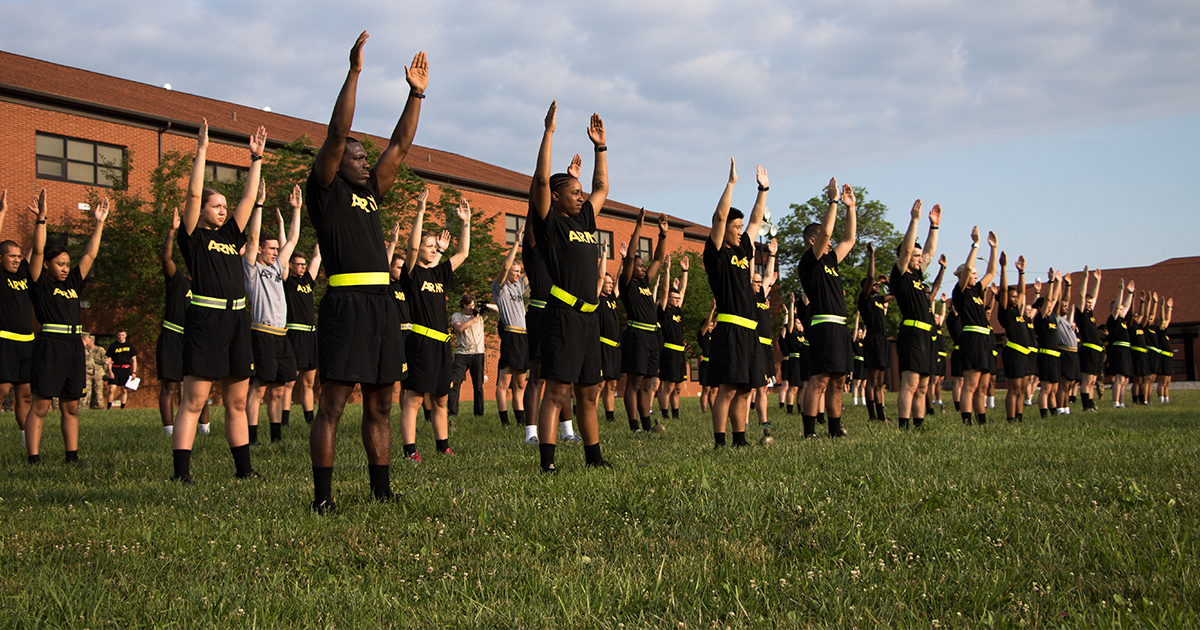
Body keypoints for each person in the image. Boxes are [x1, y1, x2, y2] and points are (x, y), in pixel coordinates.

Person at [306, 33, 427, 512]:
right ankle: (322, 499)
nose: (363, 159)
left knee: (380, 405)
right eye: (357, 156)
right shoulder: (325, 189)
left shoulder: (371, 191)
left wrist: (415, 93)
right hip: (345, 306)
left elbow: (400, 145)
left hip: (382, 307)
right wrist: (354, 72)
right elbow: (337, 135)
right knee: (333, 406)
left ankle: (381, 490)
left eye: (363, 157)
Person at [170, 119, 265, 483]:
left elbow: (247, 198)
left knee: (237, 402)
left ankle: (245, 471)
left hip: (237, 321)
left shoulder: (229, 233)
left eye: (224, 205)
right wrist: (202, 152)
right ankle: (181, 474)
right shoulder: (192, 237)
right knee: (194, 401)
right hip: (206, 323)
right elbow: (193, 196)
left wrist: (255, 160)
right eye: (216, 205)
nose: (223, 210)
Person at [529, 101, 610, 472]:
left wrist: (600, 147)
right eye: (574, 192)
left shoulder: (587, 219)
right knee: (558, 392)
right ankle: (547, 463)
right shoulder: (551, 223)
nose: (581, 196)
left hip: (590, 319)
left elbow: (601, 185)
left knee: (588, 393)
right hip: (562, 316)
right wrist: (548, 133)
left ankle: (594, 457)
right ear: (558, 197)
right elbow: (542, 181)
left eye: (581, 192)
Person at [24, 191, 107, 464]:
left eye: (67, 264)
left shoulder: (72, 282)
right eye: (59, 264)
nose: (64, 268)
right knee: (42, 404)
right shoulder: (40, 282)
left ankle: (72, 457)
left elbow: (90, 254)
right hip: (50, 346)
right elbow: (37, 250)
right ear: (47, 265)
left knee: (71, 406)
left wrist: (99, 223)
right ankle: (33, 458)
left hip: (73, 348)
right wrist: (42, 219)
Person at [399, 190, 471, 458]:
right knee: (415, 399)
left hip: (442, 344)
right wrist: (419, 212)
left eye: (434, 246)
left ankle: (443, 446)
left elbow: (462, 252)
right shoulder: (411, 273)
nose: (432, 249)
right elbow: (412, 248)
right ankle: (410, 451)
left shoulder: (439, 273)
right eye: (428, 246)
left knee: (441, 398)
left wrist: (466, 222)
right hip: (420, 343)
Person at [703, 159, 769, 448]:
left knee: (745, 389)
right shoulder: (716, 254)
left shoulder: (744, 247)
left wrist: (762, 189)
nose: (740, 230)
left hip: (750, 330)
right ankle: (720, 442)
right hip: (729, 329)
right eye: (736, 226)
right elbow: (719, 218)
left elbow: (756, 221)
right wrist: (731, 184)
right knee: (728, 388)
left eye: (740, 226)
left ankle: (740, 440)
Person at [798, 178, 858, 439]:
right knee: (820, 379)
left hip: (840, 326)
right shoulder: (808, 263)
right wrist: (832, 201)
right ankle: (809, 432)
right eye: (823, 241)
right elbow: (827, 234)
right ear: (812, 241)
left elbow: (850, 239)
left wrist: (850, 208)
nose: (831, 245)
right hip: (823, 325)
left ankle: (835, 429)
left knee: (838, 380)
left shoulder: (831, 260)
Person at [243, 186, 302, 444]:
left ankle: (276, 437)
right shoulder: (252, 269)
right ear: (258, 251)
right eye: (271, 249)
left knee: (279, 390)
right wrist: (258, 205)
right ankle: (252, 438)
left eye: (276, 249)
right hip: (262, 334)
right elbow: (253, 237)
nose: (275, 252)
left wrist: (296, 210)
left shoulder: (278, 268)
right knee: (259, 389)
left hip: (282, 335)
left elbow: (292, 241)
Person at [889, 200, 943, 430]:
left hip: (926, 336)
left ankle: (919, 426)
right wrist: (915, 220)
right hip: (911, 335)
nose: (920, 258)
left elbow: (930, 252)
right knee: (910, 385)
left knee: (923, 386)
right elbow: (907, 250)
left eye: (920, 256)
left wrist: (934, 227)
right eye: (916, 255)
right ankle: (903, 426)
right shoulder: (901, 275)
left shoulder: (919, 278)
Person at [157, 207, 210, 437]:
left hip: (195, 339)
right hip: (172, 337)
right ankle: (169, 430)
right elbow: (166, 258)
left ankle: (205, 429)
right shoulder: (178, 280)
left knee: (199, 387)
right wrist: (172, 231)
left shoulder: (206, 287)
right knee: (169, 387)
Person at [619, 210, 667, 433]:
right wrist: (638, 227)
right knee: (635, 383)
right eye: (639, 265)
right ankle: (634, 426)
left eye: (641, 266)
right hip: (636, 335)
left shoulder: (645, 283)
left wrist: (663, 234)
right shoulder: (627, 283)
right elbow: (629, 257)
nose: (642, 267)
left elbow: (658, 259)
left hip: (653, 336)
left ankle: (647, 425)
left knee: (648, 384)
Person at [950, 226, 997, 426]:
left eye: (976, 274)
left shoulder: (977, 292)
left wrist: (993, 248)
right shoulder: (960, 292)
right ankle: (967, 422)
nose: (975, 276)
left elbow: (992, 272)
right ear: (962, 276)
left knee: (983, 386)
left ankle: (982, 421)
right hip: (972, 339)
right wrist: (976, 244)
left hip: (985, 338)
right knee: (971, 384)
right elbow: (968, 268)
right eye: (972, 274)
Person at [492, 228, 530, 427]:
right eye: (515, 271)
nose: (518, 274)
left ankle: (521, 421)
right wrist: (516, 243)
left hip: (523, 338)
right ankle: (504, 421)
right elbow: (505, 267)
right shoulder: (499, 288)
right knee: (504, 383)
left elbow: (531, 271)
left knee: (520, 383)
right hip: (511, 337)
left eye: (519, 271)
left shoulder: (518, 287)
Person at [282, 243, 321, 425]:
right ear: (290, 265)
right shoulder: (287, 282)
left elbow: (317, 257)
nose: (303, 267)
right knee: (289, 382)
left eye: (304, 264)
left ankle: (310, 421)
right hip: (294, 334)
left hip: (310, 335)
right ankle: (284, 421)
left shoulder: (307, 281)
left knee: (309, 382)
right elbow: (283, 253)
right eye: (299, 264)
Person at [997, 252, 1034, 422]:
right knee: (1014, 388)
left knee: (1022, 388)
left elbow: (1021, 292)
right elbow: (1004, 289)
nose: (1015, 298)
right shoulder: (1005, 312)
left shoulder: (1018, 311)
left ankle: (1019, 417)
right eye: (1012, 297)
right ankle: (1011, 419)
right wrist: (1003, 268)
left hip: (1024, 354)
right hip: (1013, 353)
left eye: (1015, 297)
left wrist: (1021, 272)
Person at [657, 254, 690, 424]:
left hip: (680, 353)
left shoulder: (677, 310)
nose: (677, 301)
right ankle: (664, 413)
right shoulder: (663, 311)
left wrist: (685, 271)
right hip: (668, 351)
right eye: (674, 298)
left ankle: (676, 415)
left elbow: (682, 291)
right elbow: (664, 290)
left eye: (678, 299)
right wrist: (667, 269)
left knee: (677, 388)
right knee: (668, 386)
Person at [448, 293, 492, 418]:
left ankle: (479, 414)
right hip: (462, 354)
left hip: (478, 354)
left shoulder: (480, 316)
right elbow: (460, 328)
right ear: (463, 306)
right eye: (469, 306)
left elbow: (497, 310)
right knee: (455, 382)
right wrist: (474, 317)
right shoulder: (457, 316)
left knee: (478, 385)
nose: (471, 308)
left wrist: (483, 305)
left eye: (473, 305)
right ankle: (452, 412)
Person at [859, 243, 889, 422]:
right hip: (872, 340)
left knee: (880, 382)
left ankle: (882, 416)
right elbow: (870, 277)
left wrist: (888, 282)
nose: (877, 285)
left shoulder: (879, 299)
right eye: (875, 285)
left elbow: (897, 294)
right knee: (872, 380)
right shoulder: (865, 300)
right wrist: (872, 255)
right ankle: (872, 416)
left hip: (883, 341)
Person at [750, 242, 777, 434]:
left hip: (766, 347)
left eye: (760, 282)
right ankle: (743, 422)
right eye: (756, 281)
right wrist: (750, 255)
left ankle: (763, 421)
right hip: (754, 344)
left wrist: (772, 255)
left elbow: (768, 277)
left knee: (763, 387)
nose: (759, 284)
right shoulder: (747, 296)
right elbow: (751, 274)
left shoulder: (762, 296)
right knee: (751, 386)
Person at [1033, 269, 1063, 418]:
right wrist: (1050, 282)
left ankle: (1054, 412)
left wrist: (1059, 282)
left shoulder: (1052, 318)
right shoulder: (1040, 318)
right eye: (1047, 305)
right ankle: (1044, 414)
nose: (1050, 306)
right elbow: (1049, 300)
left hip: (1055, 357)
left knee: (1054, 389)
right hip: (1046, 357)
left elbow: (1054, 299)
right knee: (1045, 389)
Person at [1075, 267, 1103, 412]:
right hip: (1087, 350)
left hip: (1096, 350)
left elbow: (1094, 297)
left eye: (1091, 302)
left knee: (1093, 380)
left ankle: (1091, 403)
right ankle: (1086, 406)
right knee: (1087, 380)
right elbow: (1081, 296)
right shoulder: (1080, 314)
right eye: (1088, 302)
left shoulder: (1090, 313)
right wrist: (1086, 278)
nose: (1090, 303)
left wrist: (1098, 281)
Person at [596, 263, 621, 422]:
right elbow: (598, 278)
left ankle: (609, 417)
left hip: (615, 349)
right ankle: (585, 413)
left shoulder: (612, 298)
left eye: (611, 284)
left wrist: (624, 260)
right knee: (600, 384)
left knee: (612, 385)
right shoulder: (597, 297)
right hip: (602, 347)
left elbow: (619, 280)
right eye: (607, 283)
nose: (610, 286)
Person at [1105, 278, 1135, 408]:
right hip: (1118, 351)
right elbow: (1118, 307)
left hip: (1126, 351)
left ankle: (1122, 402)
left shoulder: (1123, 321)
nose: (1123, 310)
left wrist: (1130, 294)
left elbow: (1126, 306)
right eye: (1120, 309)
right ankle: (1115, 402)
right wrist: (1121, 290)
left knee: (1125, 380)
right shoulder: (1113, 320)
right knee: (1118, 379)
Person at [105, 330, 137, 408]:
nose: (121, 337)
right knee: (112, 389)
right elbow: (109, 360)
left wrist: (134, 372)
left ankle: (122, 408)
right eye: (119, 335)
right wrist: (110, 372)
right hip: (115, 369)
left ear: (125, 335)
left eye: (122, 335)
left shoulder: (130, 346)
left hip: (125, 369)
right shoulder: (113, 346)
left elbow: (134, 360)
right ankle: (108, 407)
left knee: (124, 390)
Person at [697, 300, 716, 412]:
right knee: (706, 390)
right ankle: (704, 410)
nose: (712, 327)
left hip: (714, 364)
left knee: (714, 391)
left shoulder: (715, 337)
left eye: (713, 325)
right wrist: (712, 310)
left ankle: (713, 410)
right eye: (710, 325)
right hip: (706, 364)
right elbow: (706, 324)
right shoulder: (703, 336)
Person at [82, 333, 108, 410]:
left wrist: (105, 372)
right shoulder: (85, 350)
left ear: (92, 341)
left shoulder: (100, 350)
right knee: (87, 391)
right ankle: (85, 407)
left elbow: (105, 361)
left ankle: (100, 407)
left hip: (98, 373)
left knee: (98, 392)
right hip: (87, 373)